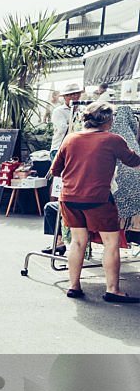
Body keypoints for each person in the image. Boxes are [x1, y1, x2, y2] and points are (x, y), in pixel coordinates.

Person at [50, 101, 140, 302]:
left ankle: (74, 286)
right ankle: (112, 290)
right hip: (98, 199)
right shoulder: (113, 140)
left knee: (77, 242)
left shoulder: (70, 139)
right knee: (111, 243)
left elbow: (55, 171)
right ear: (108, 120)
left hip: (69, 198)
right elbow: (135, 162)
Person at [51, 82, 84, 153]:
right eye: (70, 95)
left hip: (79, 148)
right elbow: (63, 129)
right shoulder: (58, 111)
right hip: (60, 148)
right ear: (64, 97)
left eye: (77, 94)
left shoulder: (84, 109)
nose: (74, 96)